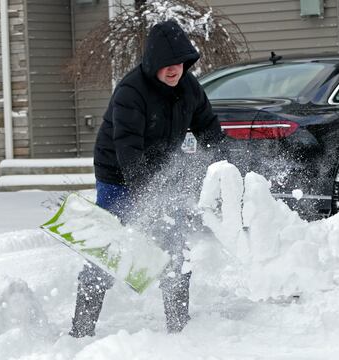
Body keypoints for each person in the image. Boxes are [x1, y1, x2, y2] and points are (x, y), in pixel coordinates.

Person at [69, 19, 225, 338]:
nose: (173, 70)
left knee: (174, 248)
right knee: (108, 248)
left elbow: (209, 128)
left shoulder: (189, 88)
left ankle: (178, 327)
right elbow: (128, 150)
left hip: (159, 173)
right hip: (117, 174)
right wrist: (147, 200)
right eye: (167, 64)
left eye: (179, 63)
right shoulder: (131, 92)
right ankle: (81, 330)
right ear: (154, 62)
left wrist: (223, 167)